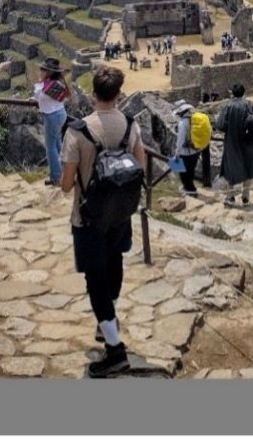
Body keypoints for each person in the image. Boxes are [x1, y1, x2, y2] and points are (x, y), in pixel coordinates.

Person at [60, 65, 145, 378]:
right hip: (120, 213)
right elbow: (140, 165)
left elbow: (67, 184)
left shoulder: (78, 130)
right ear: (118, 95)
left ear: (93, 94)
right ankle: (107, 319)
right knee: (114, 265)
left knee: (95, 281)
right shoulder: (130, 125)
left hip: (88, 218)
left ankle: (114, 350)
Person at [216, 83, 253, 207]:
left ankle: (230, 197)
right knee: (248, 168)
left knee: (230, 169)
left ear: (232, 94)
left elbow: (220, 125)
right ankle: (245, 197)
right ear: (244, 93)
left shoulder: (227, 106)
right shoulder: (249, 105)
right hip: (248, 142)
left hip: (232, 142)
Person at [33, 57, 70, 186]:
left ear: (48, 72)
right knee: (57, 143)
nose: (40, 71)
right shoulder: (56, 83)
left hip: (52, 116)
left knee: (50, 148)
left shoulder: (48, 85)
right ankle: (64, 172)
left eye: (42, 69)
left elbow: (38, 95)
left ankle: (56, 177)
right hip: (60, 114)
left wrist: (40, 81)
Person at [172, 100, 204, 197]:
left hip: (186, 152)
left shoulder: (182, 123)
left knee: (183, 173)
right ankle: (190, 189)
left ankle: (190, 191)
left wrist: (177, 154)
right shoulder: (195, 119)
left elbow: (180, 140)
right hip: (196, 150)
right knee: (190, 172)